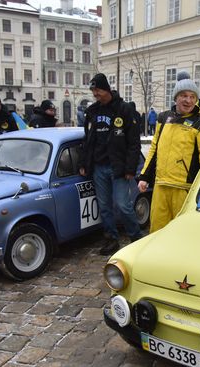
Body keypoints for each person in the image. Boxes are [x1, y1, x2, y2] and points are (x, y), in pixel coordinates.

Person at [138, 71, 200, 232]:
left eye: (192, 97)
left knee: (182, 233)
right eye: (184, 96)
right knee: (157, 231)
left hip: (184, 189)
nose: (188, 100)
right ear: (176, 97)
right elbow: (154, 149)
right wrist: (144, 176)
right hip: (160, 185)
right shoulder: (164, 118)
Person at [78, 73, 142, 256]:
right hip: (98, 167)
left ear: (105, 88)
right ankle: (111, 239)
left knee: (123, 205)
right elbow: (87, 140)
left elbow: (134, 143)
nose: (95, 94)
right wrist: (83, 163)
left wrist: (130, 168)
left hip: (118, 167)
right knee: (104, 206)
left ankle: (136, 238)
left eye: (97, 90)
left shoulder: (124, 109)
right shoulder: (92, 112)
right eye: (93, 91)